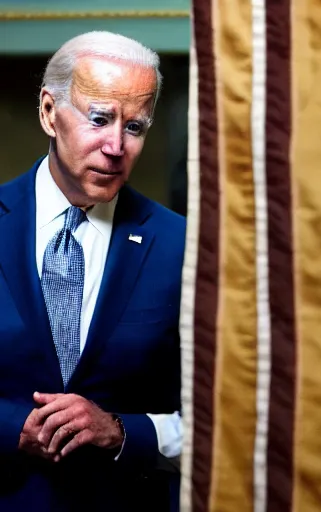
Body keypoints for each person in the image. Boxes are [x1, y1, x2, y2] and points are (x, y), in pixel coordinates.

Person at [0, 31, 184, 511]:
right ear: (48, 112)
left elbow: (226, 413)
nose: (116, 146)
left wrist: (122, 431)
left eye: (136, 127)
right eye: (99, 119)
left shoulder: (182, 245)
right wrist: (9, 428)